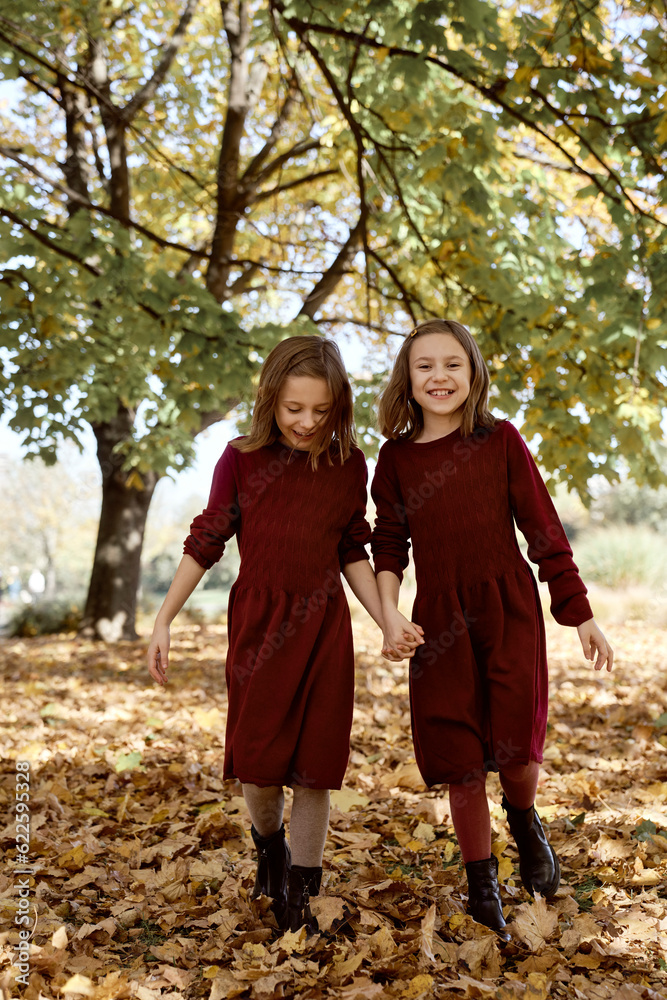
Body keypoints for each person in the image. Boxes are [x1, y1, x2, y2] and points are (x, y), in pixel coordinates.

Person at [147, 335, 421, 934]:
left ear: (338, 406)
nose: (305, 422)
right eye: (294, 408)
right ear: (270, 399)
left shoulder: (349, 464)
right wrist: (164, 618)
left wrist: (387, 619)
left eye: (321, 411)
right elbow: (207, 538)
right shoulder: (240, 458)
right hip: (260, 627)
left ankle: (302, 893)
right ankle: (269, 847)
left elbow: (354, 550)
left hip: (324, 628)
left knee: (317, 766)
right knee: (259, 767)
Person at [371, 319, 613, 941]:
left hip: (509, 609)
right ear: (407, 378)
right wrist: (390, 611)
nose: (439, 377)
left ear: (473, 373)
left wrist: (578, 611)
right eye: (424, 366)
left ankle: (525, 817)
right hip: (439, 621)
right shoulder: (396, 459)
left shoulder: (501, 441)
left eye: (452, 364)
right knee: (460, 759)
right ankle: (483, 888)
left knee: (515, 748)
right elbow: (389, 544)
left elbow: (543, 528)